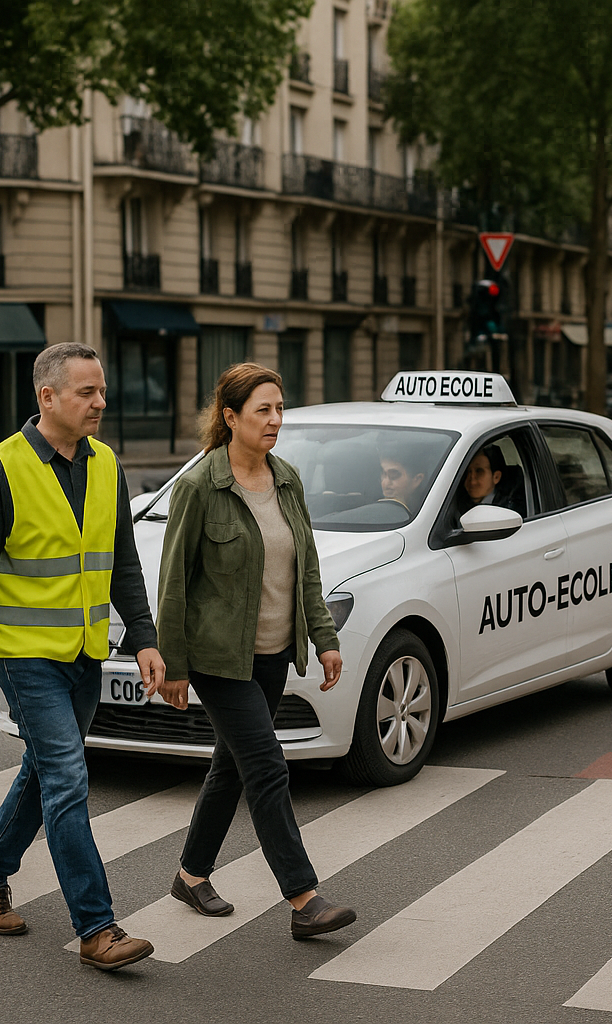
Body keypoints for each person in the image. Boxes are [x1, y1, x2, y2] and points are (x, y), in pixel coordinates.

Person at [0, 341, 161, 970]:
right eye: (86, 393)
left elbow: (122, 561)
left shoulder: (106, 464)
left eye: (101, 391)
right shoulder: (1, 468)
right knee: (68, 778)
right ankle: (97, 927)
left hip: (84, 652)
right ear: (47, 396)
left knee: (44, 770)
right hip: (24, 655)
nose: (101, 402)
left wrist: (145, 637)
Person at [149, 363, 357, 940]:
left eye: (280, 408)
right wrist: (173, 664)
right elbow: (174, 583)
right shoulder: (200, 487)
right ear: (230, 416)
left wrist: (324, 636)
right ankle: (304, 899)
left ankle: (191, 875)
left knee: (232, 766)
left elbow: (306, 568)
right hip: (219, 659)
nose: (275, 420)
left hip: (271, 653)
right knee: (266, 765)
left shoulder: (286, 479)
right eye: (263, 410)